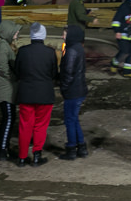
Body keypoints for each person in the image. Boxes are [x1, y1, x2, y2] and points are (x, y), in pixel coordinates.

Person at [14, 22, 58, 167]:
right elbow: (53, 74)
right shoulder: (50, 52)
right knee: (40, 125)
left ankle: (22, 157)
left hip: (26, 93)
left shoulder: (22, 51)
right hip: (45, 94)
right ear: (44, 35)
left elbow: (17, 72)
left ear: (31, 36)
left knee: (25, 126)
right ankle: (37, 155)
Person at [58, 24, 89, 161]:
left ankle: (71, 148)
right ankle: (81, 147)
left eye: (64, 34)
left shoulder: (71, 51)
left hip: (73, 90)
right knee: (74, 119)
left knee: (70, 120)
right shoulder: (78, 49)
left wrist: (63, 88)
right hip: (79, 89)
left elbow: (68, 72)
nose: (62, 36)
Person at [0, 20, 20, 161]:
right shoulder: (3, 46)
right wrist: (14, 77)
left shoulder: (6, 45)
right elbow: (3, 67)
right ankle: (2, 151)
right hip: (5, 89)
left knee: (9, 118)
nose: (17, 33)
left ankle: (4, 148)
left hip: (9, 89)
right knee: (8, 119)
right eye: (14, 31)